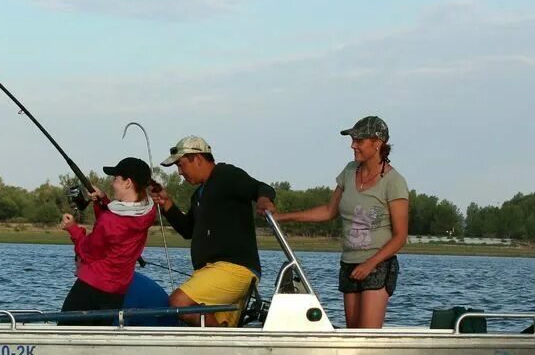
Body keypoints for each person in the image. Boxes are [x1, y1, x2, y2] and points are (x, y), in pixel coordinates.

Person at [274, 116, 408, 329]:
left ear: (377, 143)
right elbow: (328, 211)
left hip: (377, 266)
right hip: (349, 264)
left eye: (359, 140)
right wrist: (282, 217)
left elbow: (401, 236)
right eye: (353, 140)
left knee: (366, 340)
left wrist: (369, 264)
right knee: (352, 336)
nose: (352, 145)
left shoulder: (394, 182)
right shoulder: (349, 171)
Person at [150, 136, 276, 326]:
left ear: (198, 158)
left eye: (181, 165)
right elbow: (187, 230)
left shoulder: (226, 175)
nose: (180, 172)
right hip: (212, 272)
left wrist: (264, 199)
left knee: (180, 302)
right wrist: (167, 203)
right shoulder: (198, 194)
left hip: (233, 269)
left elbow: (261, 188)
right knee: (221, 328)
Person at [59, 157, 159, 323]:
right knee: (98, 340)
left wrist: (73, 229)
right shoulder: (148, 212)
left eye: (116, 179)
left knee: (64, 333)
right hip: (116, 293)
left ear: (127, 183)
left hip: (91, 288)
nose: (112, 183)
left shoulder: (110, 221)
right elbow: (118, 224)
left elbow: (87, 252)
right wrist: (102, 201)